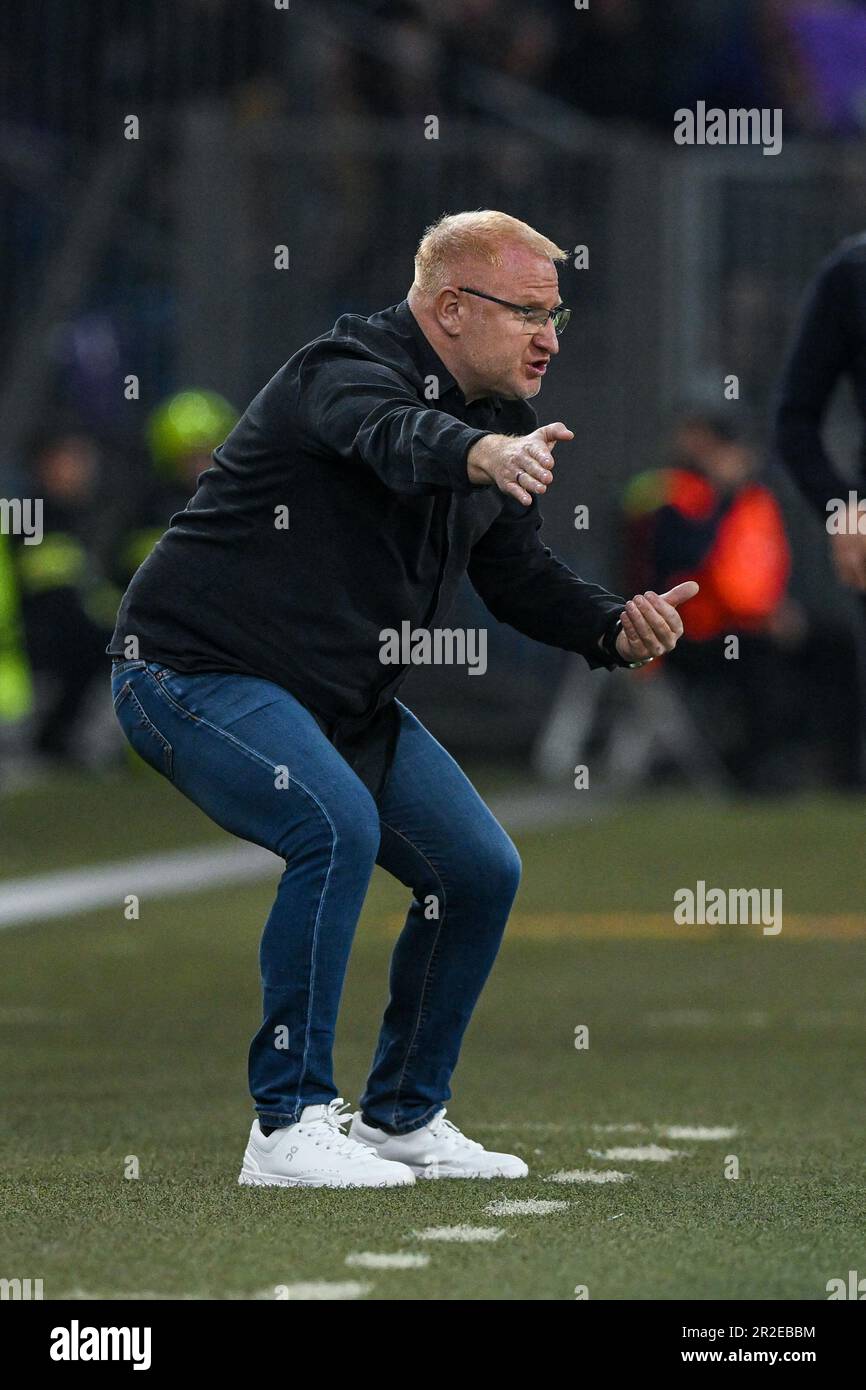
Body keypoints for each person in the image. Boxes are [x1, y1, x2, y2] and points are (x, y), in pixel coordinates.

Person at [107, 210, 697, 1189]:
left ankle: (400, 1116)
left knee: (476, 871)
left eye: (558, 315)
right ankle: (286, 1124)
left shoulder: (501, 421)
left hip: (338, 700)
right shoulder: (340, 365)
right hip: (187, 670)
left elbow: (516, 576)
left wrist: (609, 625)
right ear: (452, 308)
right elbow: (385, 433)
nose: (550, 336)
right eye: (528, 313)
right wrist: (478, 455)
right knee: (330, 826)